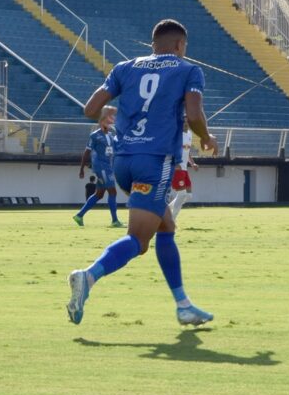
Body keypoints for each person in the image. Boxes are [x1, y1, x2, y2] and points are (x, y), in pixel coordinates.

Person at [66, 19, 218, 326]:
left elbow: (90, 108)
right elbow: (193, 113)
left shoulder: (124, 67)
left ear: (153, 44)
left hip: (123, 160)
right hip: (155, 160)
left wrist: (116, 114)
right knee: (138, 239)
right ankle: (88, 276)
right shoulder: (188, 70)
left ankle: (183, 305)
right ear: (180, 45)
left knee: (166, 226)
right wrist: (205, 136)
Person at [73, 105, 123, 227]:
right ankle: (115, 221)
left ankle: (79, 216)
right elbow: (87, 152)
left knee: (99, 194)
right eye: (108, 118)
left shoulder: (112, 135)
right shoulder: (95, 135)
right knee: (113, 192)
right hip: (101, 167)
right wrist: (82, 169)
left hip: (108, 167)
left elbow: (116, 150)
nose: (111, 120)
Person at [169, 122, 198, 219]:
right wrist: (175, 163)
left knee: (188, 196)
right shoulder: (177, 135)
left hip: (184, 168)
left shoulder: (189, 134)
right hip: (177, 168)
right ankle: (172, 220)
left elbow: (187, 151)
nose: (185, 123)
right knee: (182, 194)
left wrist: (192, 163)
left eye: (187, 121)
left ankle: (168, 209)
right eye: (183, 121)